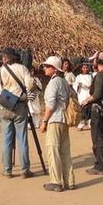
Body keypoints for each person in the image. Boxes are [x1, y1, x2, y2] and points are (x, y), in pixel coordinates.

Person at [0, 48, 36, 179]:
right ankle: (24, 170)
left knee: (6, 139)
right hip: (20, 106)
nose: (3, 59)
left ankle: (7, 170)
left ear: (7, 58)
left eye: (4, 57)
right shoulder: (23, 69)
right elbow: (30, 85)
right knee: (22, 139)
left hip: (5, 106)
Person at [39, 56, 76, 192]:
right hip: (64, 119)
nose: (44, 68)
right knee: (65, 151)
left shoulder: (53, 83)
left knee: (53, 150)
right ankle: (69, 181)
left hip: (54, 120)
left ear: (54, 69)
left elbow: (51, 105)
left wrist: (44, 121)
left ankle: (55, 182)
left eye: (47, 66)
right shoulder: (64, 82)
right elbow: (73, 95)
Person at [80, 51, 103, 175]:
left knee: (97, 138)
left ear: (97, 62)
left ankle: (100, 166)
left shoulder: (100, 75)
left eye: (93, 61)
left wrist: (85, 101)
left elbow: (96, 94)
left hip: (98, 110)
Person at [73, 62, 93, 131]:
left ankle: (89, 123)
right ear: (81, 69)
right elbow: (75, 84)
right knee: (83, 109)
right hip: (82, 95)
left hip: (88, 94)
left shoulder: (91, 76)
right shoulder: (79, 77)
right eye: (84, 68)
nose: (85, 69)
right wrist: (79, 85)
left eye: (86, 68)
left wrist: (90, 87)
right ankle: (82, 123)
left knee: (88, 109)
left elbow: (93, 85)